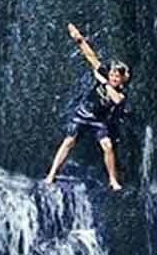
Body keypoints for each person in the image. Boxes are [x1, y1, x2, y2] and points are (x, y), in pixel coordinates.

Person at [43, 23, 130, 190]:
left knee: (108, 146)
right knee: (68, 141)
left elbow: (116, 99)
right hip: (83, 114)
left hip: (99, 121)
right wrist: (79, 40)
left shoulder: (121, 91)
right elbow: (91, 57)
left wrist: (104, 83)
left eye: (116, 76)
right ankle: (51, 174)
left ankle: (113, 180)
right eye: (111, 74)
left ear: (121, 79)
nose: (113, 77)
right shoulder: (105, 74)